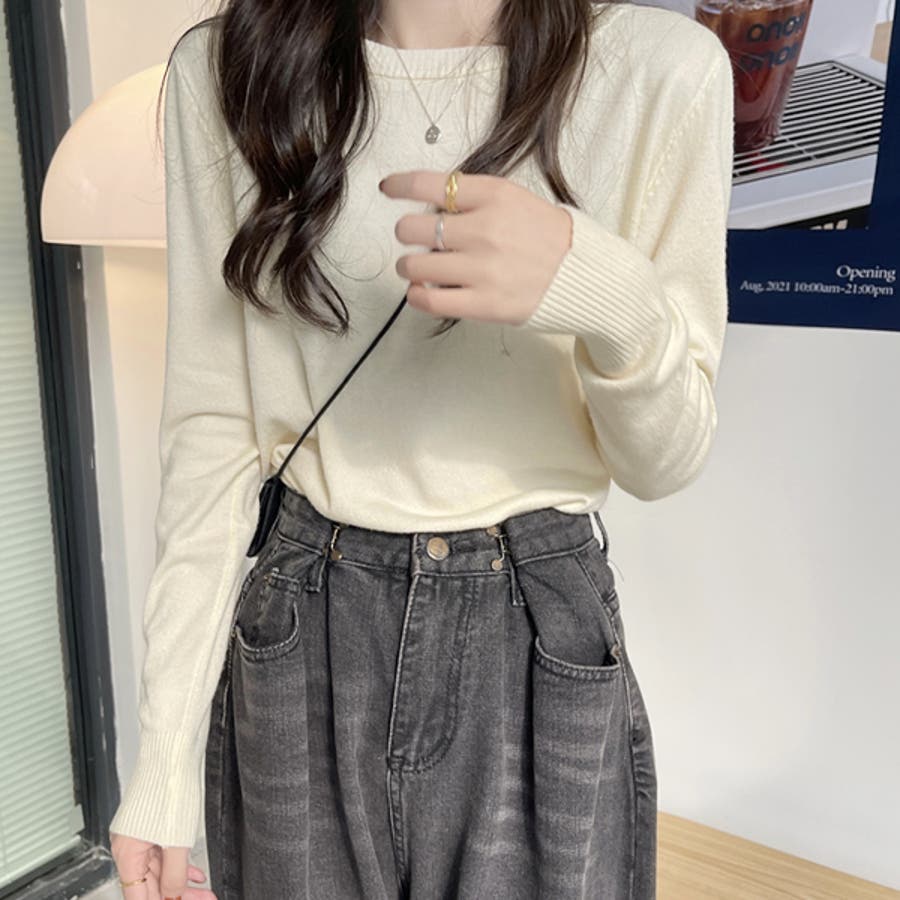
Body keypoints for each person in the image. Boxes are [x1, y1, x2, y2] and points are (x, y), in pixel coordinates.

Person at [108, 0, 734, 897]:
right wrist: (163, 761)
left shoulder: (659, 71)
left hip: (535, 632)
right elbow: (214, 433)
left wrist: (607, 294)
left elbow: (665, 462)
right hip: (303, 622)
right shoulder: (230, 67)